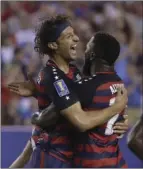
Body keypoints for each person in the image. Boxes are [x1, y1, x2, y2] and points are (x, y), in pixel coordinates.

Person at [8, 15, 128, 168]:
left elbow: (78, 102)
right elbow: (79, 120)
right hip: (53, 156)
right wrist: (115, 108)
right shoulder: (52, 76)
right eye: (69, 36)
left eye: (74, 34)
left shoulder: (74, 71)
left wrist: (121, 121)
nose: (77, 39)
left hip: (69, 156)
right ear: (53, 45)